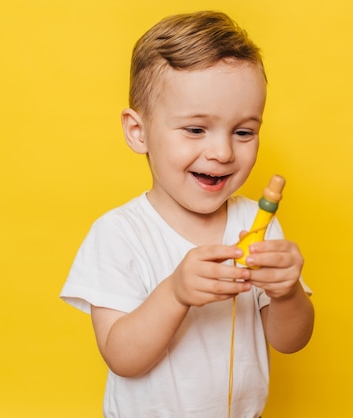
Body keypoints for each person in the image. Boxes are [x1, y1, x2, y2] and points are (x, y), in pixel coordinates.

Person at [60, 10, 314, 417]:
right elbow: (121, 358)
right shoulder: (118, 234)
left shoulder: (257, 226)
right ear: (137, 131)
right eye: (196, 129)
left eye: (244, 131)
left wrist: (288, 293)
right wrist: (175, 292)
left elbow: (289, 341)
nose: (223, 152)